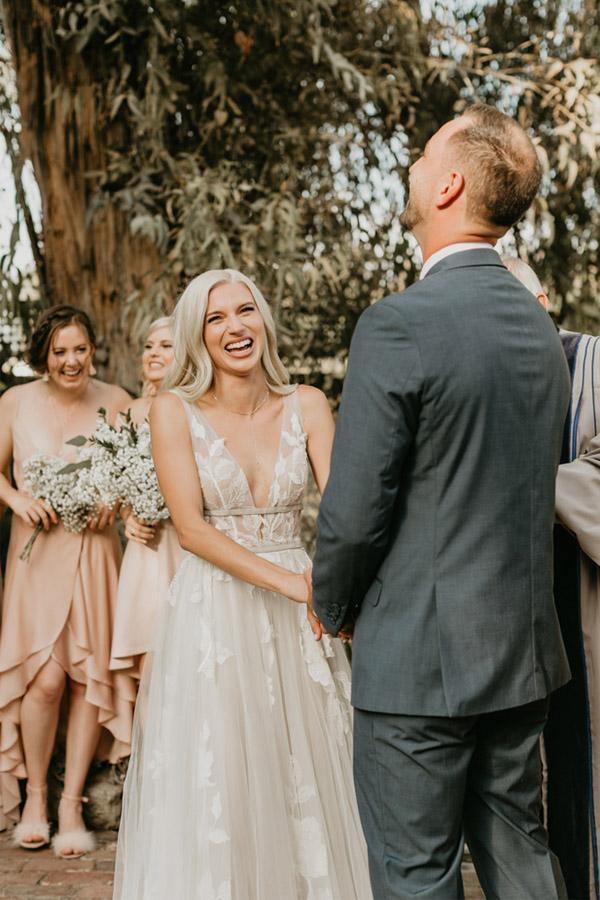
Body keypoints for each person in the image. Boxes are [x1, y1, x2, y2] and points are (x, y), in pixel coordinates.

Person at [312, 102, 571, 899]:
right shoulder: (542, 333)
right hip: (520, 654)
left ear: (451, 182)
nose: (415, 166)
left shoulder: (400, 324)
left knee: (416, 876)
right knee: (522, 858)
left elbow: (354, 511)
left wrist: (334, 602)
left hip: (419, 661)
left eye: (425, 155)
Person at [114, 269, 372, 899]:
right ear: (197, 336)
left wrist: (338, 589)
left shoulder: (307, 404)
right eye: (215, 318)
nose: (235, 328)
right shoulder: (173, 412)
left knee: (307, 769)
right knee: (224, 774)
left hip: (304, 612)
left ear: (264, 320)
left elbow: (346, 512)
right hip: (216, 610)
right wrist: (295, 586)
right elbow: (192, 530)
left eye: (245, 311)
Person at [0, 305, 134, 857]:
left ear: (91, 350)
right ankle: (34, 796)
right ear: (43, 356)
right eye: (60, 352)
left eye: (79, 349)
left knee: (87, 679)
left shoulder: (118, 401)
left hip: (95, 553)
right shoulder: (14, 402)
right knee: (46, 679)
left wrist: (114, 503)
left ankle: (70, 803)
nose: (71, 361)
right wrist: (18, 499)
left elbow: (138, 476)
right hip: (35, 554)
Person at [503, 255, 600, 900]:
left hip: (585, 599)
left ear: (542, 298)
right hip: (509, 609)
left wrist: (519, 486)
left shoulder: (591, 362)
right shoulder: (468, 379)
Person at [110, 317, 181, 685]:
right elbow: (116, 479)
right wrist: (128, 517)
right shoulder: (129, 412)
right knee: (148, 665)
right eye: (149, 346)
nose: (154, 353)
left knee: (183, 658)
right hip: (145, 548)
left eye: (166, 346)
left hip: (185, 543)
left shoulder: (197, 408)